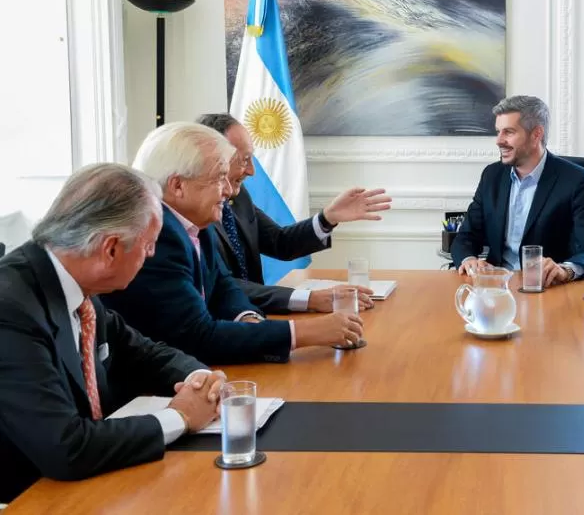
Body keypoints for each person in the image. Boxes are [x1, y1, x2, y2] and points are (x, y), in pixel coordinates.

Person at [0, 164, 226, 503]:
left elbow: (144, 352)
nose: (151, 255)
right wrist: (179, 417)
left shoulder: (77, 288)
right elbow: (66, 447)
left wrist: (199, 381)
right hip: (29, 496)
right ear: (111, 249)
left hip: (90, 486)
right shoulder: (11, 309)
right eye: (149, 245)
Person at [101, 122, 364, 365]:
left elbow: (224, 286)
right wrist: (302, 331)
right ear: (178, 185)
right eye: (218, 178)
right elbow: (198, 337)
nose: (228, 190)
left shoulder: (194, 222)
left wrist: (246, 318)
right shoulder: (158, 237)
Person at [197, 113, 391, 314]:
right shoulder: (191, 214)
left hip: (256, 318)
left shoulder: (238, 197)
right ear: (214, 158)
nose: (252, 171)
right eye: (244, 160)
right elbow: (222, 286)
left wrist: (327, 218)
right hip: (222, 326)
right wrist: (310, 299)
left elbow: (280, 242)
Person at [450, 95, 584, 286]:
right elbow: (466, 236)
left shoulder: (576, 180)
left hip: (548, 289)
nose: (499, 141)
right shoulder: (492, 176)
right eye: (498, 132)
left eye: (508, 132)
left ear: (536, 134)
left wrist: (566, 269)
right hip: (496, 288)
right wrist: (468, 259)